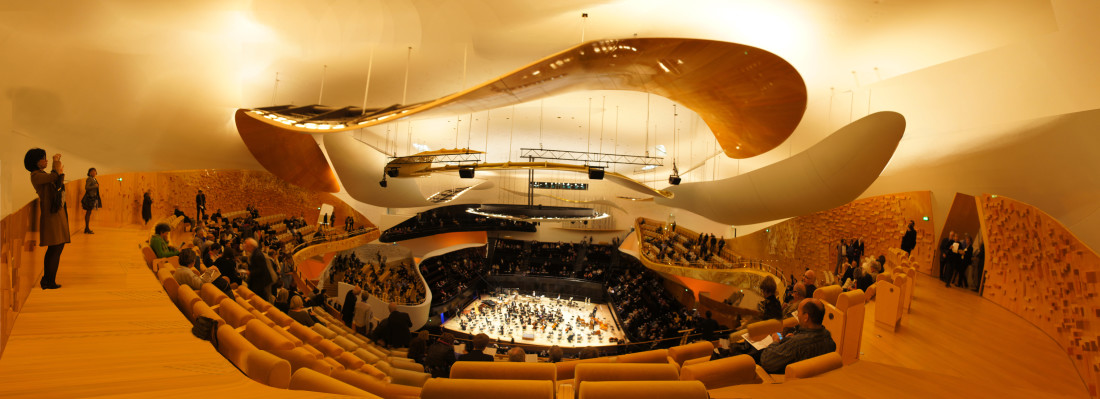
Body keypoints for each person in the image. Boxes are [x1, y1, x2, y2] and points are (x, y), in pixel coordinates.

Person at [26, 149, 70, 290]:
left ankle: (48, 280)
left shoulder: (42, 174)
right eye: (43, 158)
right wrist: (56, 163)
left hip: (55, 213)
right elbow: (54, 177)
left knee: (57, 247)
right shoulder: (36, 175)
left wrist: (57, 168)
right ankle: (48, 281)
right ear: (35, 161)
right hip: (51, 216)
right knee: (55, 247)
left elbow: (56, 179)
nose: (46, 161)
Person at [757, 299, 836, 374]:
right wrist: (792, 338)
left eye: (799, 312)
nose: (797, 315)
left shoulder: (797, 343)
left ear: (806, 317)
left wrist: (775, 340)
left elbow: (766, 360)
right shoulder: (828, 337)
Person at [81, 167, 102, 234]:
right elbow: (86, 187)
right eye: (92, 171)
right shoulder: (89, 179)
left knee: (89, 213)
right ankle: (87, 228)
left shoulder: (94, 179)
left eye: (95, 171)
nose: (94, 172)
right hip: (90, 198)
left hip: (93, 198)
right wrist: (95, 186)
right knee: (88, 212)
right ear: (89, 173)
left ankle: (87, 228)